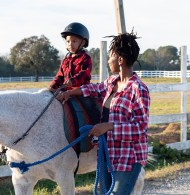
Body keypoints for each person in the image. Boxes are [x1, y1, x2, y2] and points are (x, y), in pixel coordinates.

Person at [58, 31, 150, 194]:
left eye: (110, 57)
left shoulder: (138, 89)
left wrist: (108, 126)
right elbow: (93, 88)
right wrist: (70, 92)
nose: (108, 61)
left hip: (128, 157)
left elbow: (140, 128)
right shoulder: (111, 82)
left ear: (120, 60)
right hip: (107, 155)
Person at [49, 22, 92, 93]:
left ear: (83, 42)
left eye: (74, 41)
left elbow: (85, 73)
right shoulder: (65, 60)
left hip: (81, 91)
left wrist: (73, 81)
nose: (70, 44)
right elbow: (59, 76)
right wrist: (53, 86)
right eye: (68, 41)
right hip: (66, 91)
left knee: (87, 103)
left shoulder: (85, 58)